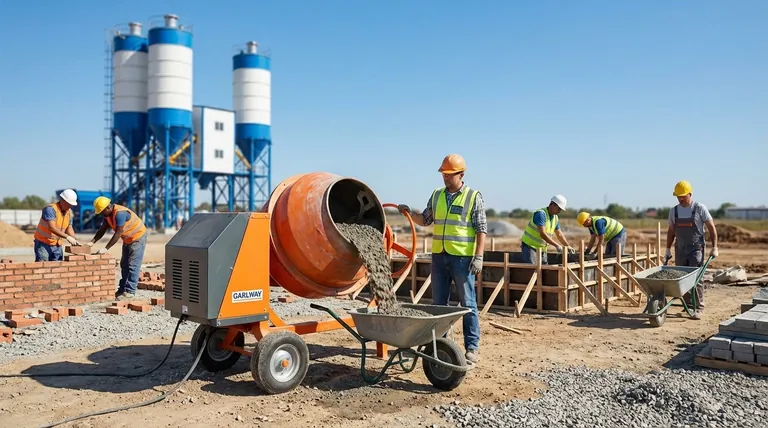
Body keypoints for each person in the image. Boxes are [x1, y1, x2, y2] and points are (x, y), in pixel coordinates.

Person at [397, 154, 486, 365]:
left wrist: (479, 256)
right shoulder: (437, 195)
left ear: (461, 174)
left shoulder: (474, 197)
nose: (445, 178)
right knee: (439, 304)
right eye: (443, 174)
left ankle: (471, 348)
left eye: (449, 175)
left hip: (462, 259)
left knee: (468, 303)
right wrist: (409, 213)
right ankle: (441, 345)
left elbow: (481, 229)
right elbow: (426, 220)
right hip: (439, 257)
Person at [665, 180, 718, 320]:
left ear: (690, 194)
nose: (681, 199)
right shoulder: (674, 211)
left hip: (696, 248)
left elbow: (712, 228)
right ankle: (688, 305)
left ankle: (699, 307)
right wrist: (667, 249)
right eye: (678, 196)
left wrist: (715, 247)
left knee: (696, 278)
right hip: (680, 248)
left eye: (683, 196)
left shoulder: (700, 208)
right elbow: (671, 231)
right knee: (682, 278)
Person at [89, 196, 148, 300]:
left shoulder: (120, 213)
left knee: (133, 264)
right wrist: (92, 242)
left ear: (108, 208)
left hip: (138, 237)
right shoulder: (108, 215)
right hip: (127, 239)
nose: (102, 214)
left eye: (102, 211)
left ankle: (130, 291)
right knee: (124, 264)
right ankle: (122, 290)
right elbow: (102, 230)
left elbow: (118, 233)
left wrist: (106, 248)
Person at [520, 195, 574, 265]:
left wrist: (567, 246)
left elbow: (559, 234)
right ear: (552, 204)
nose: (560, 211)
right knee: (532, 270)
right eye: (559, 208)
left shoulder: (555, 218)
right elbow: (542, 233)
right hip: (530, 247)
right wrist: (557, 245)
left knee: (544, 270)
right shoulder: (541, 214)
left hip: (542, 249)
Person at [32, 189, 81, 261]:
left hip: (57, 245)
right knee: (43, 267)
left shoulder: (69, 212)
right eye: (69, 204)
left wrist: (74, 239)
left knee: (57, 268)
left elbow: (69, 228)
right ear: (63, 200)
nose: (70, 206)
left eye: (71, 205)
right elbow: (52, 228)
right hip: (43, 244)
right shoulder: (50, 209)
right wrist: (67, 237)